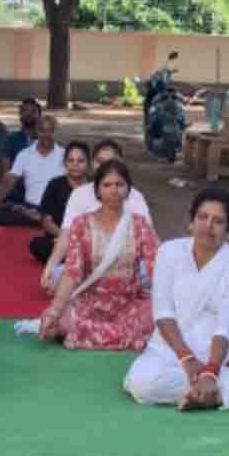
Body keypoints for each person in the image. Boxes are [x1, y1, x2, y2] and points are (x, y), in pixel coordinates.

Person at [124, 188, 229, 411]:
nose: (208, 226)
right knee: (140, 384)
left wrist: (211, 371)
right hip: (172, 347)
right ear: (191, 222)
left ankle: (212, 389)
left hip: (219, 353)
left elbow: (225, 328)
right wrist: (187, 360)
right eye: (202, 217)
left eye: (218, 221)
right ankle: (222, 392)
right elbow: (162, 313)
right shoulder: (169, 252)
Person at [38, 161, 158, 351]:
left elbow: (156, 267)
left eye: (119, 185)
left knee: (153, 316)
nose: (114, 191)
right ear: (97, 191)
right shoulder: (81, 224)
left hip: (128, 303)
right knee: (64, 321)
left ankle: (94, 336)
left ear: (128, 190)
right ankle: (121, 336)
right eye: (107, 185)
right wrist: (54, 311)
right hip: (91, 302)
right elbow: (72, 272)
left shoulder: (139, 224)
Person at [40, 139, 152, 292]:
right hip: (89, 264)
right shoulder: (80, 194)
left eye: (110, 162)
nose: (105, 167)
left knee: (150, 277)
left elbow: (149, 241)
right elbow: (67, 233)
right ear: (92, 164)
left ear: (121, 164)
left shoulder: (135, 196)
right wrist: (51, 265)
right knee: (56, 277)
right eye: (100, 161)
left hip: (126, 265)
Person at [0, 114, 64, 227]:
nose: (46, 135)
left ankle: (38, 217)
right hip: (31, 206)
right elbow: (10, 181)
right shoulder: (24, 154)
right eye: (42, 130)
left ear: (56, 132)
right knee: (1, 214)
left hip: (55, 208)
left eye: (51, 131)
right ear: (36, 131)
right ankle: (40, 218)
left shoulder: (64, 155)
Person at [28, 140, 90, 264]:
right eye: (71, 160)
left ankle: (73, 257)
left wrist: (78, 239)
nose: (75, 165)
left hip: (88, 239)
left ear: (88, 164)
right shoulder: (55, 184)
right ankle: (76, 258)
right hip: (58, 237)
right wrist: (65, 238)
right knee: (38, 244)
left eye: (80, 161)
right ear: (65, 163)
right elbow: (46, 220)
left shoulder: (95, 186)